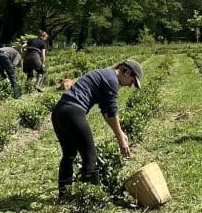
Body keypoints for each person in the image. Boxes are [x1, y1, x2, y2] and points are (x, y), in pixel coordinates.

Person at [51, 59, 142, 197]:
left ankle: (64, 196)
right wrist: (120, 137)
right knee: (90, 156)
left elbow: (106, 111)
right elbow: (111, 112)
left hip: (59, 111)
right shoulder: (112, 80)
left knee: (69, 154)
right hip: (73, 112)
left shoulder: (106, 74)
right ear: (127, 72)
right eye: (132, 81)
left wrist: (120, 133)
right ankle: (89, 198)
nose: (131, 85)